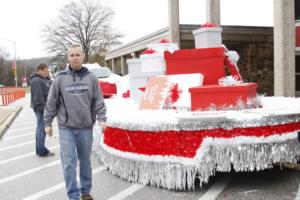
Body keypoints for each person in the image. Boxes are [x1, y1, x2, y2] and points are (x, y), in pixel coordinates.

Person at [44, 44, 107, 200]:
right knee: (69, 163)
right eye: (72, 55)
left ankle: (85, 191)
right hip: (67, 129)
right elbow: (51, 102)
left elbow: (98, 100)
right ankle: (73, 195)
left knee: (85, 162)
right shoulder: (60, 78)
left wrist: (102, 119)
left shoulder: (91, 78)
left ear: (83, 56)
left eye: (77, 55)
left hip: (86, 127)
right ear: (68, 58)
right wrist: (47, 123)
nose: (75, 58)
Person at [30, 63, 54, 157]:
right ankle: (41, 150)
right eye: (45, 71)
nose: (47, 73)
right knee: (41, 129)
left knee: (41, 128)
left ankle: (40, 149)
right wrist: (45, 109)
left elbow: (50, 86)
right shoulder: (36, 80)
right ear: (39, 70)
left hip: (43, 107)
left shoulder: (43, 79)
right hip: (41, 108)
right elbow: (38, 98)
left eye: (47, 71)